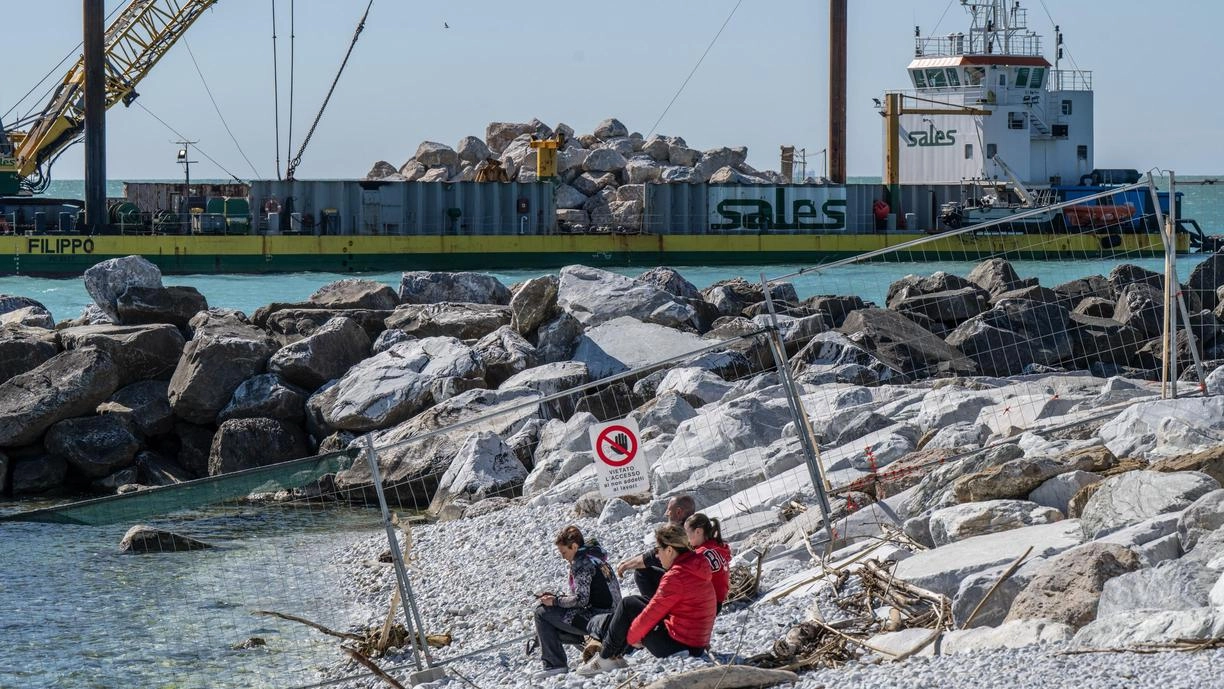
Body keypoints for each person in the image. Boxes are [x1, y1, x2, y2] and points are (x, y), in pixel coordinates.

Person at [578, 524, 716, 676]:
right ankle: (615, 656)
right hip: (697, 643)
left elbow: (652, 611)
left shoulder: (675, 577)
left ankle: (604, 658)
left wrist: (632, 637)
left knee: (627, 604)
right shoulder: (696, 564)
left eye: (658, 550)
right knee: (640, 585)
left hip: (678, 646)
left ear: (669, 550)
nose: (657, 555)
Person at [532, 525, 621, 680]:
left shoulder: (581, 563)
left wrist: (555, 601)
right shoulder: (596, 557)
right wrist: (558, 599)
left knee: (541, 612)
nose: (563, 557)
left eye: (564, 552)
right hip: (615, 617)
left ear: (574, 546)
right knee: (551, 621)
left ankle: (555, 665)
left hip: (599, 621)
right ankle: (588, 649)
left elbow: (580, 599)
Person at [615, 495, 695, 599]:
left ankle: (655, 609)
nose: (666, 513)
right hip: (699, 585)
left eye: (669, 510)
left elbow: (652, 557)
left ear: (678, 512)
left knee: (641, 572)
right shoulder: (697, 528)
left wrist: (625, 566)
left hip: (683, 583)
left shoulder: (676, 532)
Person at [685, 513, 732, 611]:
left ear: (698, 531)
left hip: (708, 604)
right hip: (719, 599)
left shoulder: (701, 553)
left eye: (686, 533)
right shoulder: (719, 545)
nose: (685, 538)